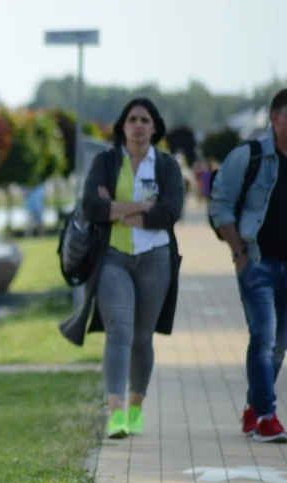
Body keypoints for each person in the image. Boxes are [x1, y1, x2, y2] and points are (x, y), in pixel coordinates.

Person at [60, 98, 185, 439]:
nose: (139, 125)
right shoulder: (106, 161)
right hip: (113, 257)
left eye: (145, 120)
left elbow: (170, 212)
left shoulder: (167, 166)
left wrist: (116, 209)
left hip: (156, 257)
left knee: (142, 337)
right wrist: (143, 207)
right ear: (123, 126)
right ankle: (115, 413)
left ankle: (135, 407)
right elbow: (91, 206)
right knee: (119, 331)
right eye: (132, 119)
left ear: (155, 127)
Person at [209, 89, 287, 442]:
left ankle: (254, 408)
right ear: (276, 118)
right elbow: (220, 203)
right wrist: (239, 253)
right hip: (256, 264)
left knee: (279, 346)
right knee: (263, 338)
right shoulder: (250, 156)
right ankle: (268, 417)